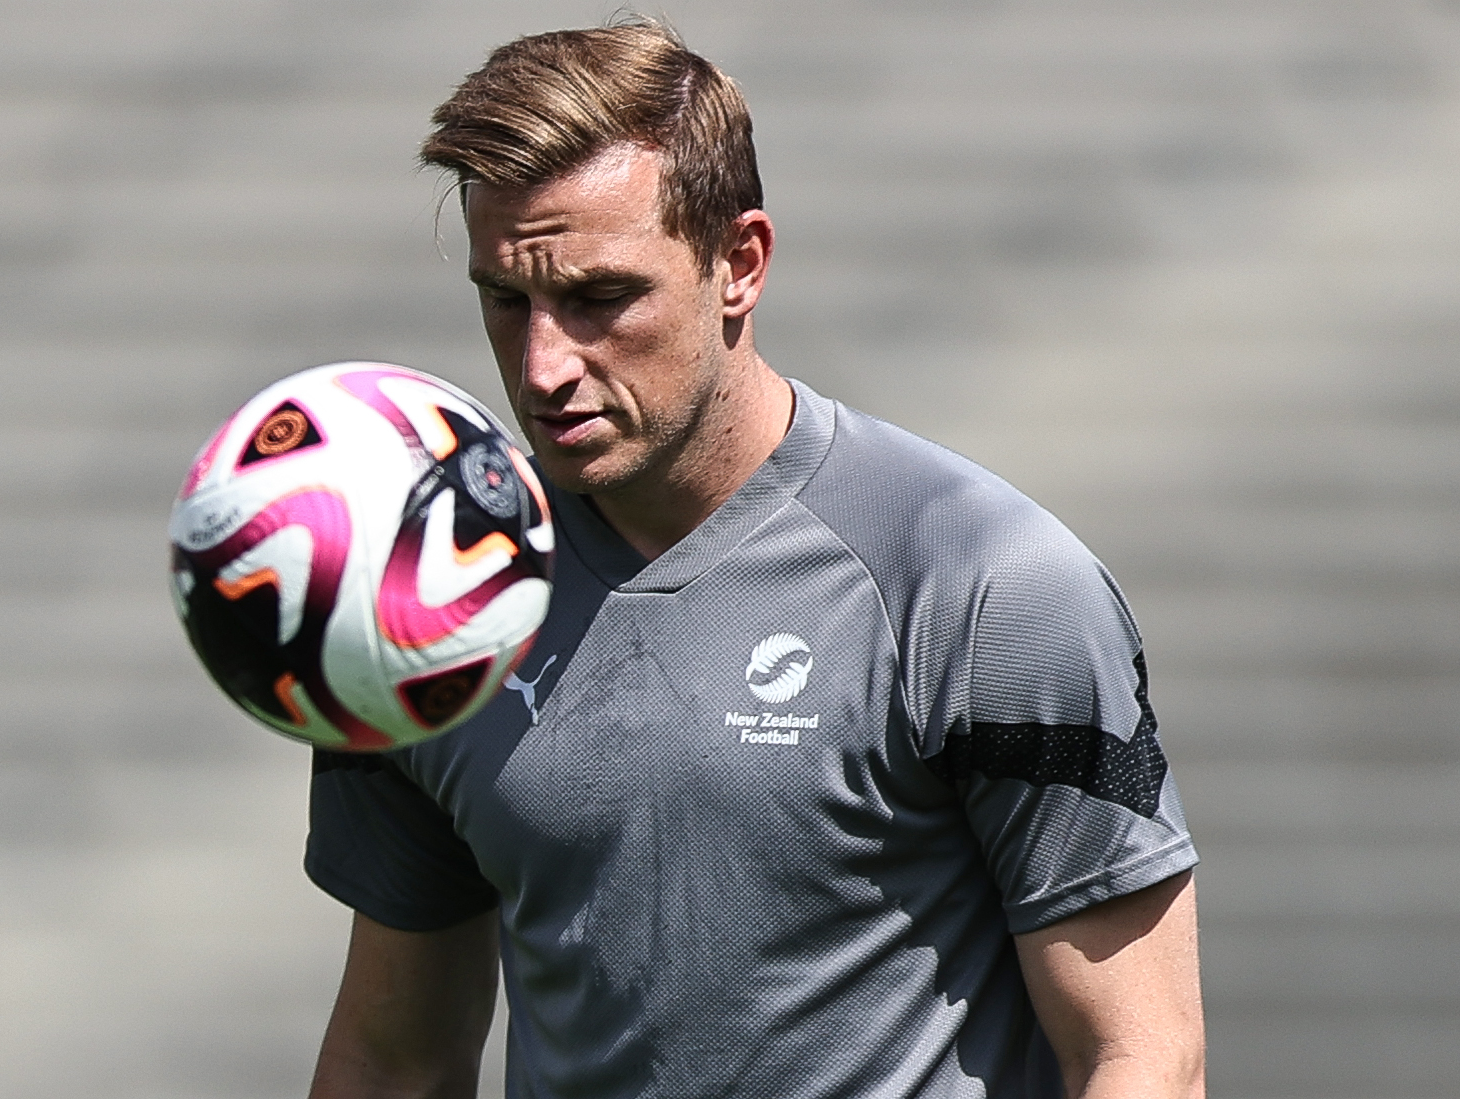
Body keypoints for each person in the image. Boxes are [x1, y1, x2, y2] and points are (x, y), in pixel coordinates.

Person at [304, 19, 1204, 1099]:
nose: (542, 366)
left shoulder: (984, 583)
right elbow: (396, 1059)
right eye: (506, 299)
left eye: (599, 298)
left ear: (738, 264)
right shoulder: (428, 600)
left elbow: (1139, 1053)